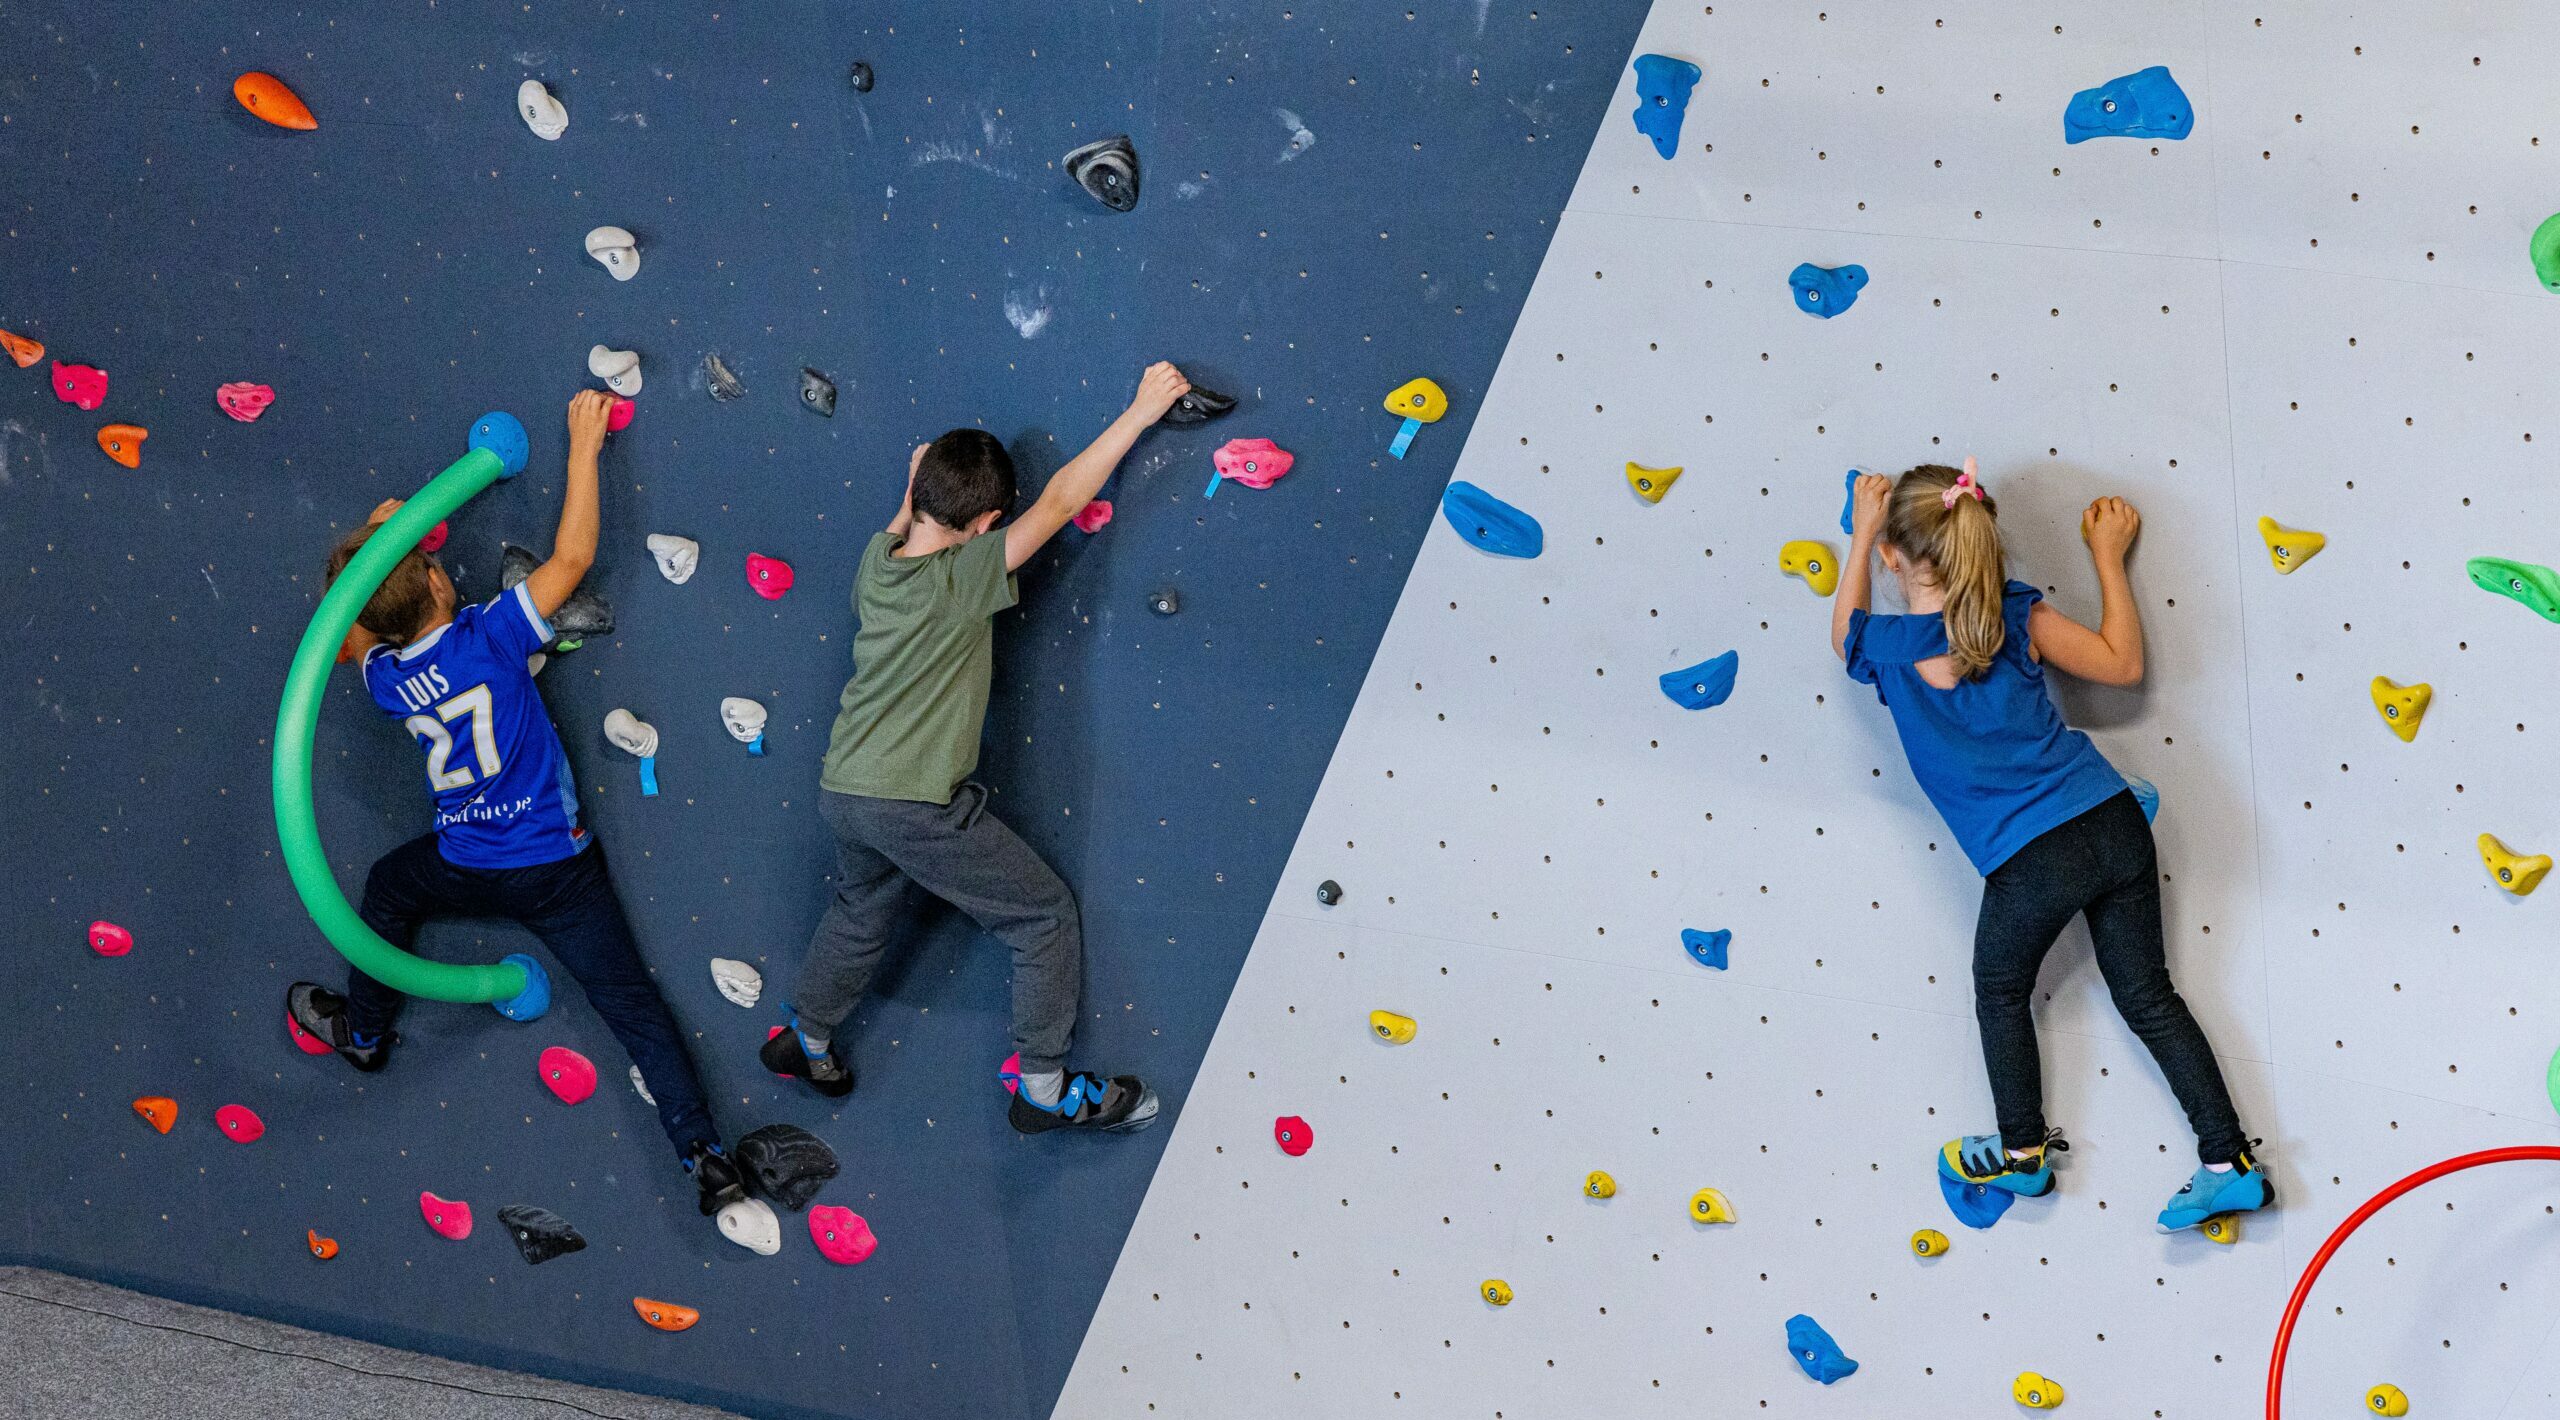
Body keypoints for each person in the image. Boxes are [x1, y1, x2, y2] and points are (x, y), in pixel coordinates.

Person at [285, 390, 747, 1218]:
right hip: (556, 872)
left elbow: (345, 628)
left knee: (389, 890)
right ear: (437, 576)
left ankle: (362, 1035)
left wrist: (377, 539)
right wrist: (581, 448)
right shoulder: (492, 634)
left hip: (464, 861)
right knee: (632, 1007)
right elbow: (570, 560)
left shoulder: (385, 678)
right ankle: (705, 1154)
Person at [1833, 459, 2270, 1232]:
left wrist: (1863, 533)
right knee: (2148, 995)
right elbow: (2122, 666)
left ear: (1896, 560)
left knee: (2000, 991)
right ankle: (2228, 1161)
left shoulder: (1885, 645)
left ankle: (2023, 1155)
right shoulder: (2012, 614)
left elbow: (1842, 635)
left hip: (2031, 861)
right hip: (2109, 817)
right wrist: (2107, 556)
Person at [765, 362, 1192, 1135]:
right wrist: (1140, 411)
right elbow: (1064, 499)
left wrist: (915, 484)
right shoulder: (963, 577)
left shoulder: (878, 563)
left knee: (862, 909)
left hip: (847, 789)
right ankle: (1044, 1085)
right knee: (1042, 918)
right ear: (990, 523)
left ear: (919, 496)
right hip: (910, 803)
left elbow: (905, 522)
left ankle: (807, 1036)